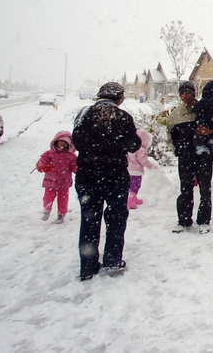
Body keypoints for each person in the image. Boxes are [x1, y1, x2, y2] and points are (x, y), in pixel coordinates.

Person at [72, 81, 141, 281]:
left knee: (89, 219)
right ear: (119, 98)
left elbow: (76, 141)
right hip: (114, 177)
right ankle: (112, 259)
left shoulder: (84, 114)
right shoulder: (122, 117)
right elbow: (133, 144)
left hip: (87, 176)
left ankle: (88, 265)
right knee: (116, 218)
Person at [166, 81, 213, 234]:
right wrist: (176, 150)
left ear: (193, 93)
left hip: (204, 156)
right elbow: (169, 135)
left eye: (187, 92)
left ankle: (204, 221)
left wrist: (210, 131)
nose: (185, 95)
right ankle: (183, 221)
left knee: (205, 189)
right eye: (182, 93)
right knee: (185, 190)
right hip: (185, 157)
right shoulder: (176, 114)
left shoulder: (205, 106)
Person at [36, 130, 78, 224]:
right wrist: (42, 167)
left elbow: (74, 166)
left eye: (64, 144)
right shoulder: (49, 154)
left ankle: (61, 214)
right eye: (60, 143)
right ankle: (47, 209)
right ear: (55, 142)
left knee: (63, 199)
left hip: (64, 182)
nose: (62, 146)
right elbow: (42, 161)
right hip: (50, 181)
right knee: (48, 197)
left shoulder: (71, 156)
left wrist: (78, 171)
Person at [191, 80, 213, 158]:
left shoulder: (202, 102)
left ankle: (200, 149)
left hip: (202, 123)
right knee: (212, 137)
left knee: (198, 136)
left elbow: (195, 109)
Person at [126, 129, 156, 209]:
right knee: (136, 185)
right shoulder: (141, 149)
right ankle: (131, 200)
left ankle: (133, 198)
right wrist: (151, 166)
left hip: (129, 170)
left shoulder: (130, 147)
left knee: (131, 185)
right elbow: (143, 161)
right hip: (136, 171)